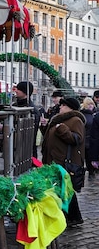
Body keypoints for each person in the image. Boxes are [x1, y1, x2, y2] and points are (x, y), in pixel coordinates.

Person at [41, 97, 85, 226]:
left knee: (66, 189)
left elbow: (76, 139)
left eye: (63, 105)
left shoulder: (76, 120)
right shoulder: (59, 119)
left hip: (65, 160)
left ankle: (72, 217)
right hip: (55, 159)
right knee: (62, 188)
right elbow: (52, 137)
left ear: (69, 107)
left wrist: (62, 129)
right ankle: (71, 217)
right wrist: (44, 127)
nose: (60, 107)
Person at [12, 81, 41, 159]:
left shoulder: (32, 110)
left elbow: (32, 133)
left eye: (19, 89)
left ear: (25, 92)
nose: (16, 90)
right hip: (14, 147)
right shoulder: (14, 106)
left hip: (26, 149)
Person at [80, 97, 96, 176]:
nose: (90, 106)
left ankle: (91, 171)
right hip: (85, 140)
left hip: (92, 140)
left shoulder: (94, 114)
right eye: (88, 104)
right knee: (86, 158)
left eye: (92, 104)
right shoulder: (83, 115)